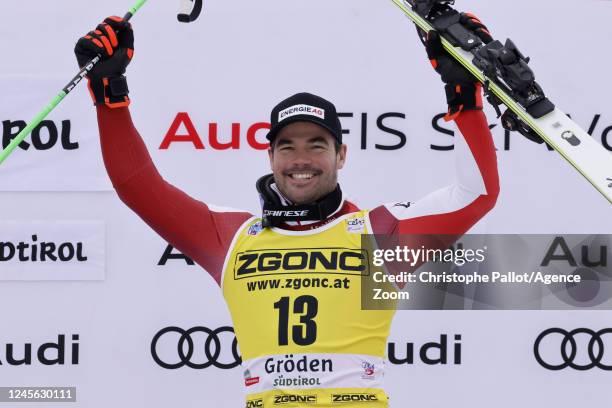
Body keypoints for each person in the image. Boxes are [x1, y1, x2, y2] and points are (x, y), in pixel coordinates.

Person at [74, 12, 499, 408]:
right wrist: (110, 95)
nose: (301, 159)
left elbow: (476, 193)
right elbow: (138, 187)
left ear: (341, 155)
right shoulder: (232, 236)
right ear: (271, 157)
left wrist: (462, 94)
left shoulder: (380, 232)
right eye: (287, 146)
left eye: (317, 145)